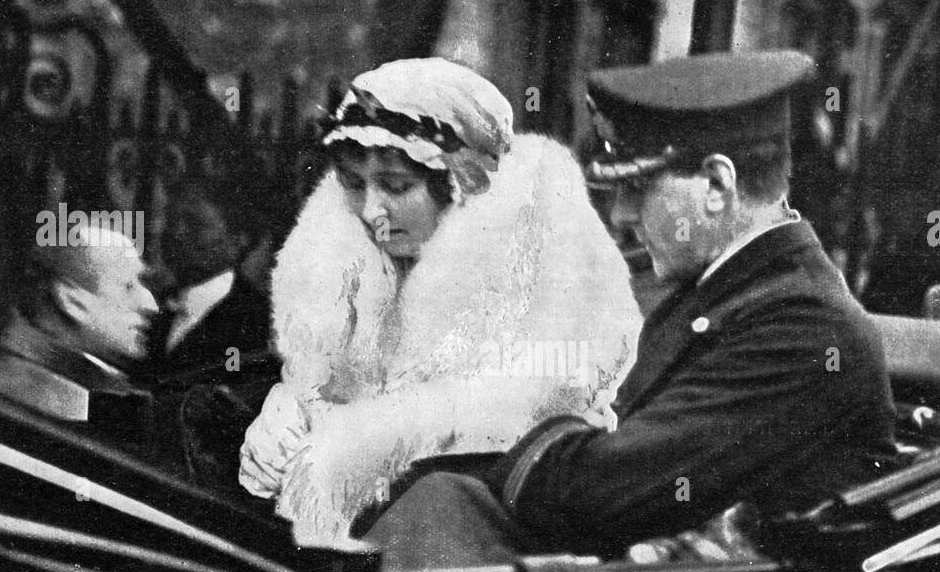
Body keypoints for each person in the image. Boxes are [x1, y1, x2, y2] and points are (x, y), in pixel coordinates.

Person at [365, 51, 900, 570]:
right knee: (431, 499)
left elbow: (598, 491)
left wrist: (542, 421)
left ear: (717, 185)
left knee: (433, 521)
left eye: (637, 188)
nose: (621, 215)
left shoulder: (804, 328)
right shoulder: (727, 291)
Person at [238, 57, 641, 546]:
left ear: (460, 185)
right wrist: (290, 411)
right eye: (353, 184)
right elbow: (326, 387)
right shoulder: (350, 274)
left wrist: (345, 444)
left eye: (396, 186)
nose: (371, 210)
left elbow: (517, 424)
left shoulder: (541, 279)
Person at [0, 223, 159, 448]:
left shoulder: (7, 374)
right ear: (72, 301)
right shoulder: (51, 398)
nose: (151, 305)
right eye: (129, 286)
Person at [142, 179, 272, 385]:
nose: (177, 233)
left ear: (237, 240)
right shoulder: (150, 308)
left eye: (195, 224)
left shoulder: (257, 320)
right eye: (171, 222)